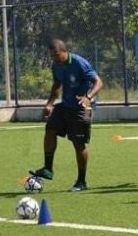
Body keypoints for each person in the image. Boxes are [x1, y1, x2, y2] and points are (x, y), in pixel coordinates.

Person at [30, 39, 103, 192]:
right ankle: (48, 169)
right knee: (50, 129)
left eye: (56, 55)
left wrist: (87, 97)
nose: (55, 59)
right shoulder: (56, 65)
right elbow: (57, 84)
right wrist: (49, 104)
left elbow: (98, 82)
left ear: (64, 51)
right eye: (52, 56)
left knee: (78, 144)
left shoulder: (79, 63)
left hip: (81, 107)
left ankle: (81, 181)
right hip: (65, 105)